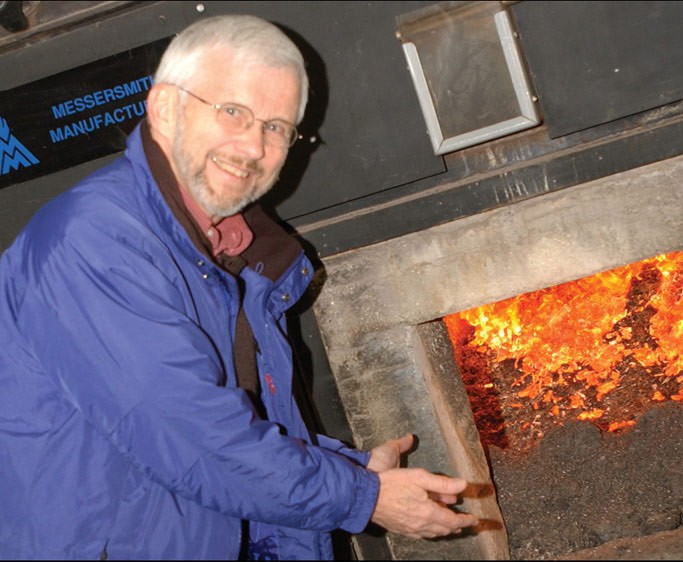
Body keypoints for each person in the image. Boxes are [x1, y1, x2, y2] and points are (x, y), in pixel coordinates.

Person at [0, 14, 478, 560]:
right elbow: (190, 438)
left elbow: (242, 419)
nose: (254, 146)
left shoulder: (232, 248)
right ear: (164, 108)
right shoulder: (92, 241)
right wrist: (363, 496)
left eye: (277, 127)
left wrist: (347, 470)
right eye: (233, 111)